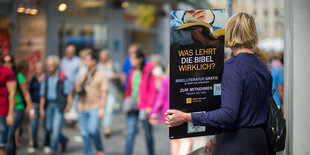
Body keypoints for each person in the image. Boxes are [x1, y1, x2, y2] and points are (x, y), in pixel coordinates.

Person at [165, 12, 273, 155]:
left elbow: (228, 114)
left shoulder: (233, 66)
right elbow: (246, 110)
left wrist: (186, 117)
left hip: (235, 145)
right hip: (259, 142)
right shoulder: (261, 65)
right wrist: (217, 136)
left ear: (230, 32)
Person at [149, 66, 192, 155]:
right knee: (186, 140)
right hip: (183, 112)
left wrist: (154, 114)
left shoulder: (166, 80)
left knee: (175, 140)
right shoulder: (188, 79)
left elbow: (160, 98)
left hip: (169, 114)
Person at [124, 49, 156, 155]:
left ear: (140, 59)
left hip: (144, 107)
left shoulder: (148, 71)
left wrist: (149, 106)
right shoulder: (131, 71)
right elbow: (129, 88)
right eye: (130, 58)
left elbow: (152, 90)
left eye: (133, 58)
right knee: (130, 133)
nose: (131, 60)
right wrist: (127, 99)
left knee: (148, 134)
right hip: (133, 106)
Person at [75, 52, 107, 155]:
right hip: (82, 106)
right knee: (85, 133)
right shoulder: (83, 74)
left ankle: (99, 148)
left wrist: (102, 108)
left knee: (93, 130)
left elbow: (104, 92)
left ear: (94, 61)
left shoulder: (101, 75)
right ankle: (89, 152)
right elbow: (76, 88)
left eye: (88, 59)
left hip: (95, 106)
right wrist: (78, 88)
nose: (86, 62)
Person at [1, 56, 35, 155]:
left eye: (9, 61)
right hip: (4, 109)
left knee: (8, 136)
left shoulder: (18, 76)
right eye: (4, 61)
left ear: (13, 63)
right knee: (8, 137)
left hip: (17, 108)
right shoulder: (2, 75)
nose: (7, 64)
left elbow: (26, 93)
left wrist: (31, 110)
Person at [40, 55, 72, 155]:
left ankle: (53, 149)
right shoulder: (45, 77)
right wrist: (41, 108)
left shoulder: (62, 77)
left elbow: (68, 93)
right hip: (48, 105)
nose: (49, 67)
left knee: (56, 127)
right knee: (49, 128)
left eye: (52, 65)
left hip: (59, 105)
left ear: (56, 66)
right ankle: (63, 140)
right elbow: (42, 94)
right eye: (48, 65)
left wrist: (68, 105)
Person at [97, 50, 119, 137]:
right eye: (102, 55)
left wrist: (115, 76)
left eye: (105, 55)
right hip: (100, 91)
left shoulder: (112, 65)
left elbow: (119, 75)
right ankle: (103, 125)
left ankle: (107, 127)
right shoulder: (97, 66)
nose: (103, 57)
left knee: (109, 110)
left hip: (111, 90)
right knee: (101, 109)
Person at [28, 62, 45, 153]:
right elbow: (29, 92)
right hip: (34, 104)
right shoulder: (33, 78)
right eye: (37, 67)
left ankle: (47, 143)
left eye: (40, 67)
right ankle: (34, 143)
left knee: (47, 126)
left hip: (45, 105)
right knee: (33, 124)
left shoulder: (46, 78)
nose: (38, 69)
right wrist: (29, 105)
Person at [60, 45, 80, 123]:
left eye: (70, 52)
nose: (69, 53)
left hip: (74, 85)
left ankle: (76, 120)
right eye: (67, 52)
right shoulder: (63, 61)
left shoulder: (78, 61)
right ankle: (68, 119)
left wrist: (75, 85)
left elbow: (78, 74)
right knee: (66, 102)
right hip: (65, 86)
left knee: (75, 103)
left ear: (74, 52)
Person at [0, 57, 16, 155]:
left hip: (2, 112)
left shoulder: (8, 72)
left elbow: (13, 93)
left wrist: (10, 114)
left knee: (1, 145)